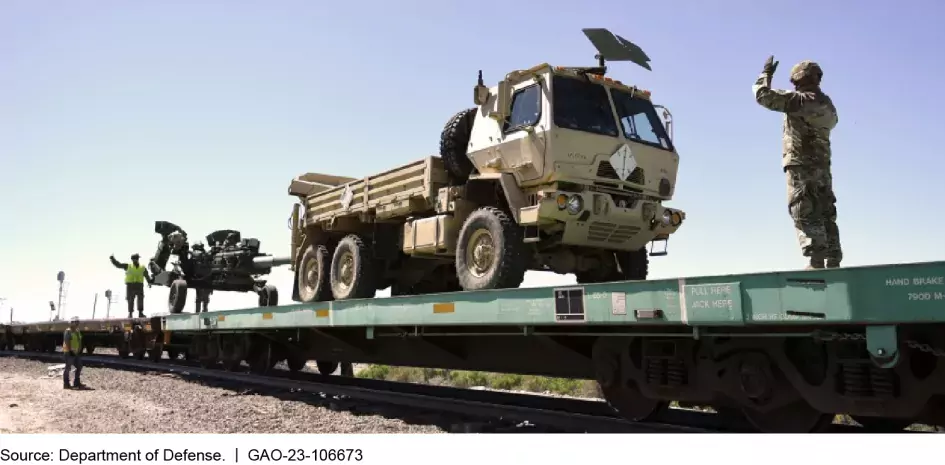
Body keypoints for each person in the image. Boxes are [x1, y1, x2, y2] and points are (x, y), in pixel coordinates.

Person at [753, 56, 841, 270]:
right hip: (822, 167)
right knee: (825, 209)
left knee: (803, 208)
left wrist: (765, 75)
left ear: (797, 79)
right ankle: (833, 257)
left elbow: (763, 96)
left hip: (800, 164)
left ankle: (816, 259)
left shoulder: (797, 101)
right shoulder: (828, 105)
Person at [109, 253, 153, 317]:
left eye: (137, 259)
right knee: (130, 299)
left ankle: (139, 313)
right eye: (135, 259)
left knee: (140, 299)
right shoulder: (128, 266)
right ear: (132, 260)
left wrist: (149, 282)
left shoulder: (142, 267)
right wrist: (113, 259)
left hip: (139, 285)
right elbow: (118, 265)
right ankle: (130, 314)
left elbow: (147, 276)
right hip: (131, 285)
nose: (136, 260)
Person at [62, 316, 86, 389]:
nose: (76, 323)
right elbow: (67, 341)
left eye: (77, 322)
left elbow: (80, 340)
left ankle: (76, 382)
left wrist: (79, 349)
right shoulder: (68, 331)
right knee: (68, 368)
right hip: (69, 352)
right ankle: (66, 384)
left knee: (79, 366)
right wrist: (70, 350)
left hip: (76, 352)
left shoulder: (77, 331)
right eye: (74, 322)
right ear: (71, 323)